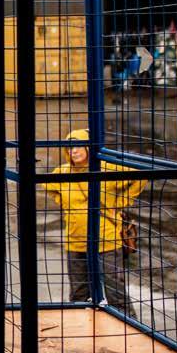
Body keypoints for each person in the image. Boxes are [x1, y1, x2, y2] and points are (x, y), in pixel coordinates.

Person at [42, 129, 146, 316]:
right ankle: (81, 329)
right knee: (79, 294)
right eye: (69, 148)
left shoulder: (107, 167)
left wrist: (121, 201)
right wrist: (65, 203)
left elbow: (140, 175)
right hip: (75, 242)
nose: (73, 151)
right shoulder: (63, 172)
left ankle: (129, 327)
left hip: (106, 240)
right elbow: (47, 185)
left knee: (115, 292)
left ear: (89, 148)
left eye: (78, 146)